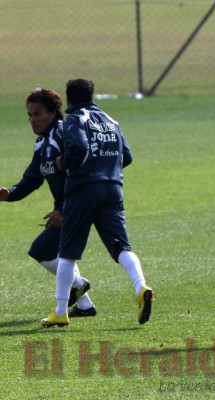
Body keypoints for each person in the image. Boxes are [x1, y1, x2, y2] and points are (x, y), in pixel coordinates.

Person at [40, 79, 153, 327]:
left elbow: (78, 148)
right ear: (93, 95)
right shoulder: (111, 120)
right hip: (114, 189)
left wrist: (62, 162)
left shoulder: (73, 119)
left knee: (68, 253)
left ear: (69, 100)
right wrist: (106, 168)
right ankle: (141, 286)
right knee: (121, 246)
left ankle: (60, 311)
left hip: (83, 190)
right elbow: (127, 156)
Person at [0, 88, 96, 317]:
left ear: (53, 112)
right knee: (64, 253)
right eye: (29, 115)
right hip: (68, 206)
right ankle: (85, 305)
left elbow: (80, 173)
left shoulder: (64, 135)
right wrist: (9, 193)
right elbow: (32, 179)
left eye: (38, 114)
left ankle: (80, 285)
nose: (32, 120)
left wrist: (63, 209)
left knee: (41, 249)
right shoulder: (41, 143)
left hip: (79, 204)